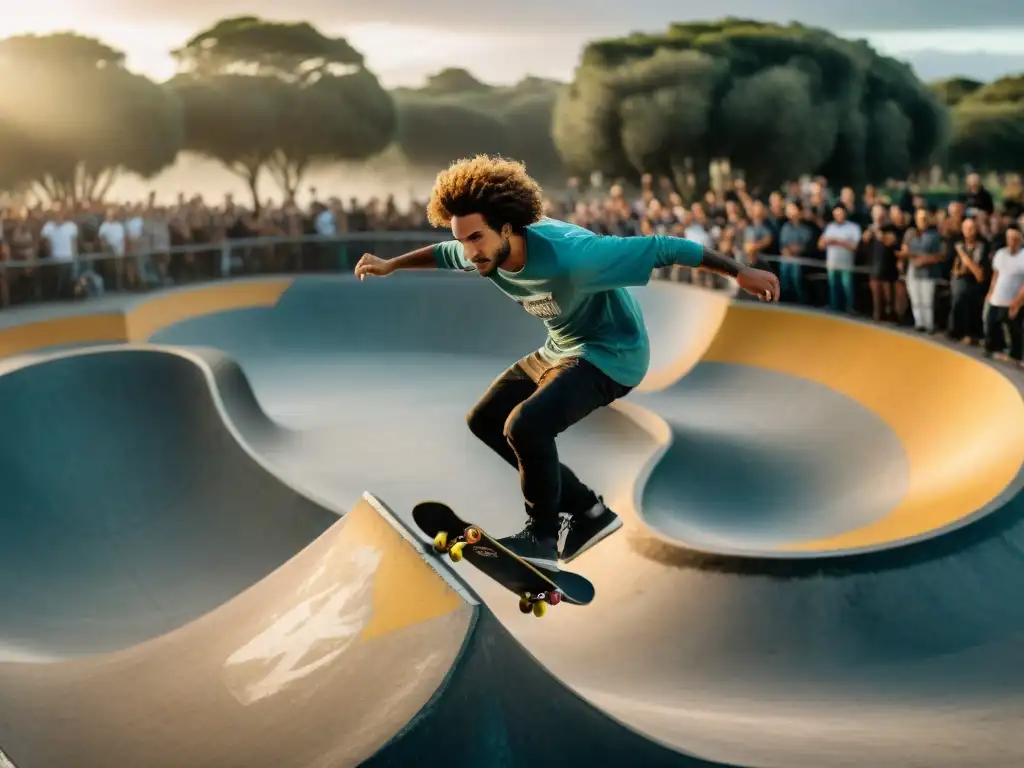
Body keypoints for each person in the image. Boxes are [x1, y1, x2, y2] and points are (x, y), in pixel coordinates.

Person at [354, 156, 780, 570]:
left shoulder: (575, 256)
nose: (469, 253)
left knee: (525, 425)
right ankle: (588, 511)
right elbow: (443, 252)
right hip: (559, 348)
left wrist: (740, 272)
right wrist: (393, 264)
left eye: (476, 240)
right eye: (464, 241)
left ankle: (541, 535)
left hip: (612, 354)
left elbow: (665, 247)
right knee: (484, 420)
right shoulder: (482, 248)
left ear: (507, 228)